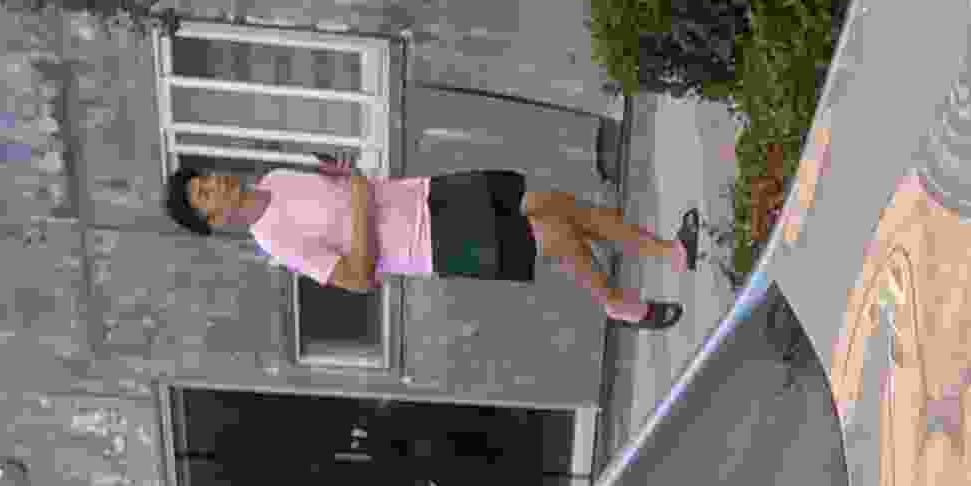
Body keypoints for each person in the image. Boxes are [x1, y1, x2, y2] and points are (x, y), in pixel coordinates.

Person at [168, 156, 699, 329]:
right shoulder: (274, 241)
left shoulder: (276, 178)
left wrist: (352, 180)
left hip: (431, 194)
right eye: (204, 194)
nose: (214, 183)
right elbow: (358, 280)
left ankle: (670, 252)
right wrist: (359, 198)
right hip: (433, 244)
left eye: (205, 177)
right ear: (214, 219)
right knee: (557, 236)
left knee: (558, 204)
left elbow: (355, 190)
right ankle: (617, 303)